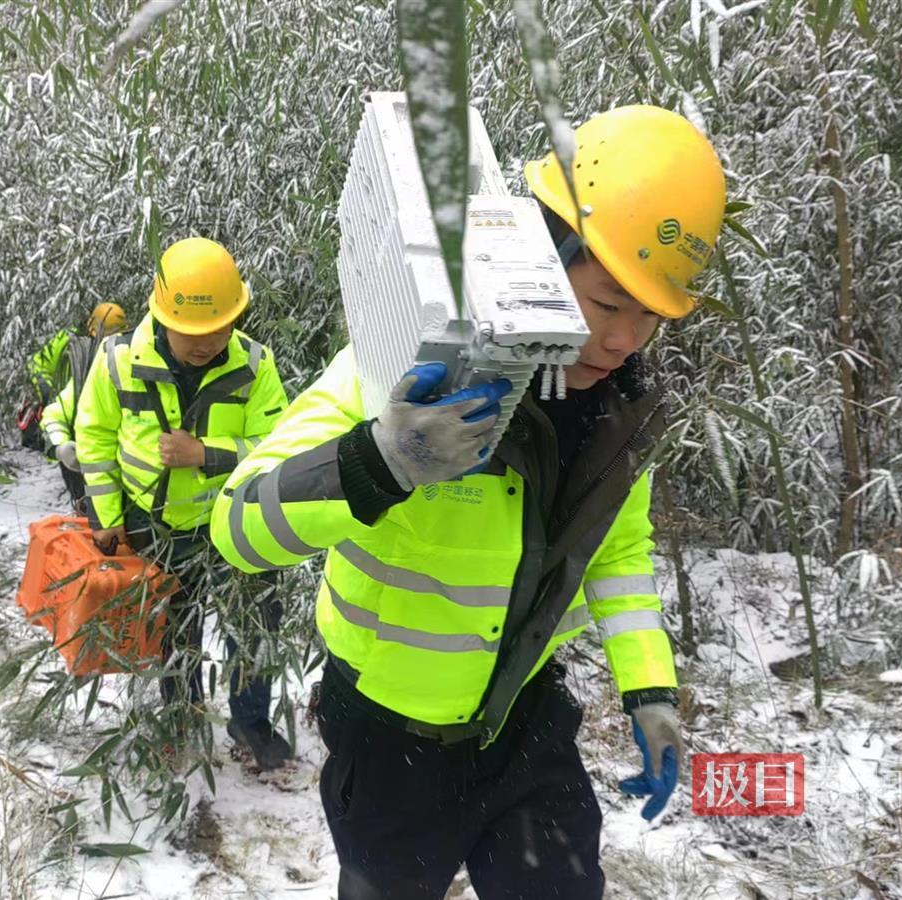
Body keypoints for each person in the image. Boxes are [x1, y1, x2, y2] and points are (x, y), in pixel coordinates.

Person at [211, 105, 726, 896]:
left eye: (651, 317)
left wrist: (650, 691)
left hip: (520, 721)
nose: (625, 340)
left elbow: (617, 553)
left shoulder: (617, 415)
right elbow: (240, 525)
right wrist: (379, 462)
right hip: (389, 743)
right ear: (546, 260)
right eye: (607, 302)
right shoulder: (402, 375)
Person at [76, 238, 293, 770]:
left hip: (234, 526)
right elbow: (95, 437)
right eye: (193, 331)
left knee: (253, 627)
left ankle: (251, 723)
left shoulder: (256, 367)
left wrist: (206, 453)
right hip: (154, 529)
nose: (207, 341)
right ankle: (182, 721)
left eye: (220, 326)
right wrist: (105, 519)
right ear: (161, 315)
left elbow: (281, 448)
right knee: (175, 635)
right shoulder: (118, 360)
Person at [40, 302, 131, 510]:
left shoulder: (139, 367)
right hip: (92, 480)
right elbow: (55, 415)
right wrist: (62, 447)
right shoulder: (83, 375)